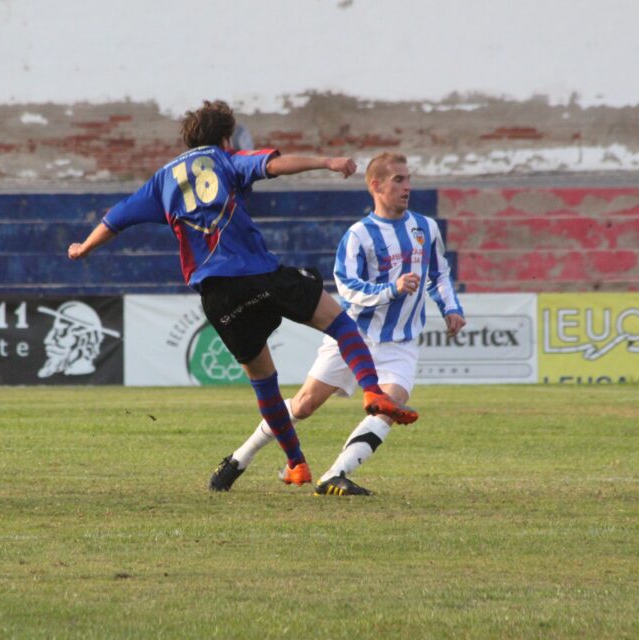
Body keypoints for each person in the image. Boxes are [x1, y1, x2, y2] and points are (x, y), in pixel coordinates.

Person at [68, 100, 418, 490]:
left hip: (217, 295)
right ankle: (373, 391)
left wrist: (84, 248)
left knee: (264, 381)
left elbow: (115, 219)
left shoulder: (161, 181)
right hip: (260, 273)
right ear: (224, 137)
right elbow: (273, 165)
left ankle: (297, 464)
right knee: (338, 322)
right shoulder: (225, 159)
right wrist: (328, 161)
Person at [212, 152, 465, 495]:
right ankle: (239, 459)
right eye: (399, 180)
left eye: (408, 179)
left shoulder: (426, 228)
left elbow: (439, 274)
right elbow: (348, 288)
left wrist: (451, 307)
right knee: (303, 405)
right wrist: (391, 289)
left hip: (400, 342)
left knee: (388, 408)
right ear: (376, 186)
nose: (408, 187)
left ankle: (336, 474)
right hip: (353, 337)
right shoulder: (359, 235)